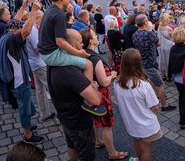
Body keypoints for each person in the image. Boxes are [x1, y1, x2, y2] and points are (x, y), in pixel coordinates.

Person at [37, 0, 101, 115]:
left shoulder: (49, 10)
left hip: (46, 52)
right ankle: (87, 101)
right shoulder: (59, 14)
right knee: (88, 64)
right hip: (52, 54)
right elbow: (60, 41)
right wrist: (79, 53)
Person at [47, 29, 103, 161]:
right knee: (86, 154)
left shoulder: (55, 62)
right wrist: (93, 88)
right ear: (71, 46)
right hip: (79, 122)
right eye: (79, 42)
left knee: (72, 146)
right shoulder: (69, 71)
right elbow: (95, 100)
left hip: (66, 118)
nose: (82, 44)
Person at [0, 1, 44, 143]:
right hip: (19, 81)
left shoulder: (7, 34)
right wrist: (34, 11)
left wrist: (23, 7)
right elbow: (26, 31)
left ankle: (28, 125)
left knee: (27, 104)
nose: (19, 31)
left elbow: (15, 23)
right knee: (24, 107)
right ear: (14, 31)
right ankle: (27, 135)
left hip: (17, 79)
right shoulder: (13, 40)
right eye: (17, 30)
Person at [79, 28, 128, 160]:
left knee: (95, 119)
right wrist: (111, 75)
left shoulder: (84, 54)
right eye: (94, 35)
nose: (96, 37)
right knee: (107, 125)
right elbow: (104, 82)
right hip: (101, 95)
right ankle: (112, 153)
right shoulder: (95, 59)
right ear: (90, 41)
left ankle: (98, 141)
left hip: (91, 93)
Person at [114, 49, 163, 161]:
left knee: (137, 141)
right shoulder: (143, 86)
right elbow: (155, 107)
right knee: (146, 149)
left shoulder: (116, 83)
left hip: (130, 123)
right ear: (138, 64)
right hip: (145, 125)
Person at [132, 14, 176, 111]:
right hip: (150, 63)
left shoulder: (134, 34)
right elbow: (158, 43)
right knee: (160, 84)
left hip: (141, 62)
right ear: (145, 23)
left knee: (151, 82)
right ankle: (164, 105)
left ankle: (154, 98)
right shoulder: (150, 34)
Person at [25, 9, 55, 122]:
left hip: (35, 62)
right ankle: (59, 113)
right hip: (39, 63)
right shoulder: (32, 29)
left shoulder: (31, 27)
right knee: (52, 87)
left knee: (40, 89)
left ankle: (44, 114)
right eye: (43, 18)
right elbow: (37, 49)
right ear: (37, 18)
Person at [157, 13, 174, 79]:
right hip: (168, 47)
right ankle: (168, 76)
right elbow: (171, 39)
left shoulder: (159, 27)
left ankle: (163, 75)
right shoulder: (169, 28)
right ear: (167, 20)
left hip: (160, 46)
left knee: (162, 60)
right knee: (167, 61)